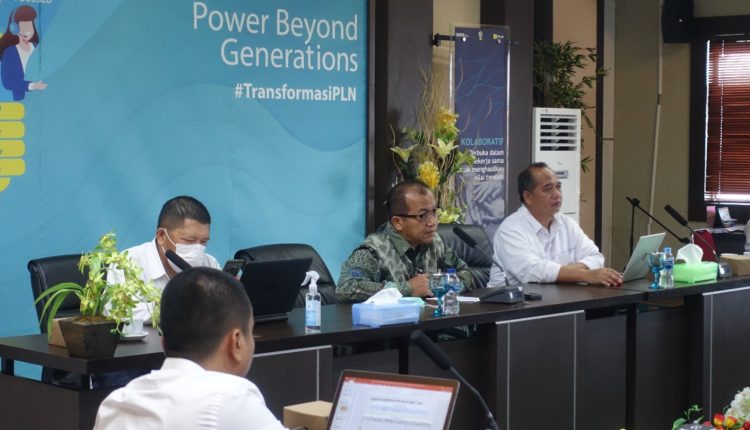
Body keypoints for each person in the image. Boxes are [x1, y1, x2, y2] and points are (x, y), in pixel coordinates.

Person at [94, 267, 287, 430]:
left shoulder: (115, 404)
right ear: (236, 342)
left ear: (163, 342)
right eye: (251, 332)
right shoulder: (230, 396)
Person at [337, 180, 472, 303]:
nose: (432, 222)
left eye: (433, 212)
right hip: (393, 321)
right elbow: (347, 288)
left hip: (430, 319)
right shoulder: (374, 250)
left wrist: (437, 284)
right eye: (423, 215)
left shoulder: (435, 242)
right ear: (398, 222)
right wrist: (406, 289)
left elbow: (465, 274)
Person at [489, 162, 622, 287]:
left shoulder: (566, 223)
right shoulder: (511, 229)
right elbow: (531, 271)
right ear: (528, 197)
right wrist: (585, 275)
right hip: (510, 302)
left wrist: (567, 273)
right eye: (548, 189)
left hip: (559, 298)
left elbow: (595, 257)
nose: (557, 194)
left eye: (558, 187)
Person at [107, 195, 221, 324]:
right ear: (161, 236)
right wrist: (180, 308)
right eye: (189, 240)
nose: (198, 248)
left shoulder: (210, 264)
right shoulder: (128, 262)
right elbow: (116, 310)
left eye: (204, 241)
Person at [0, 5, 47, 101]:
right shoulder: (9, 53)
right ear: (14, 28)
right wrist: (32, 86)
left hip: (45, 98)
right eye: (24, 27)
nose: (28, 31)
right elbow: (7, 82)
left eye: (30, 26)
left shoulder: (39, 48)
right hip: (23, 100)